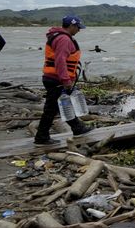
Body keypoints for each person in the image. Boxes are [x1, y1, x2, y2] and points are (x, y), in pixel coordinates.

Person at [33, 16, 92, 145]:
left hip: (53, 77)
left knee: (65, 104)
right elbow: (60, 60)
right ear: (71, 26)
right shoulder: (64, 39)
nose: (79, 30)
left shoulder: (59, 36)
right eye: (78, 28)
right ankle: (41, 137)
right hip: (56, 79)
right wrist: (66, 80)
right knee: (51, 109)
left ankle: (77, 128)